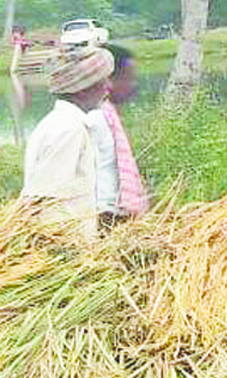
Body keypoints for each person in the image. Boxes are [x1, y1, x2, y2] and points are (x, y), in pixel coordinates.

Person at [20, 46, 115, 239]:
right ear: (81, 91)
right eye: (101, 81)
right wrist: (65, 253)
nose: (108, 87)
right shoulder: (69, 130)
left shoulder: (62, 123)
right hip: (65, 246)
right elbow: (45, 198)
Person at [87, 44, 149, 229]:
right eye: (128, 79)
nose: (133, 85)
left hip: (115, 213)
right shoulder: (94, 118)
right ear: (108, 80)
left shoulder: (107, 114)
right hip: (102, 215)